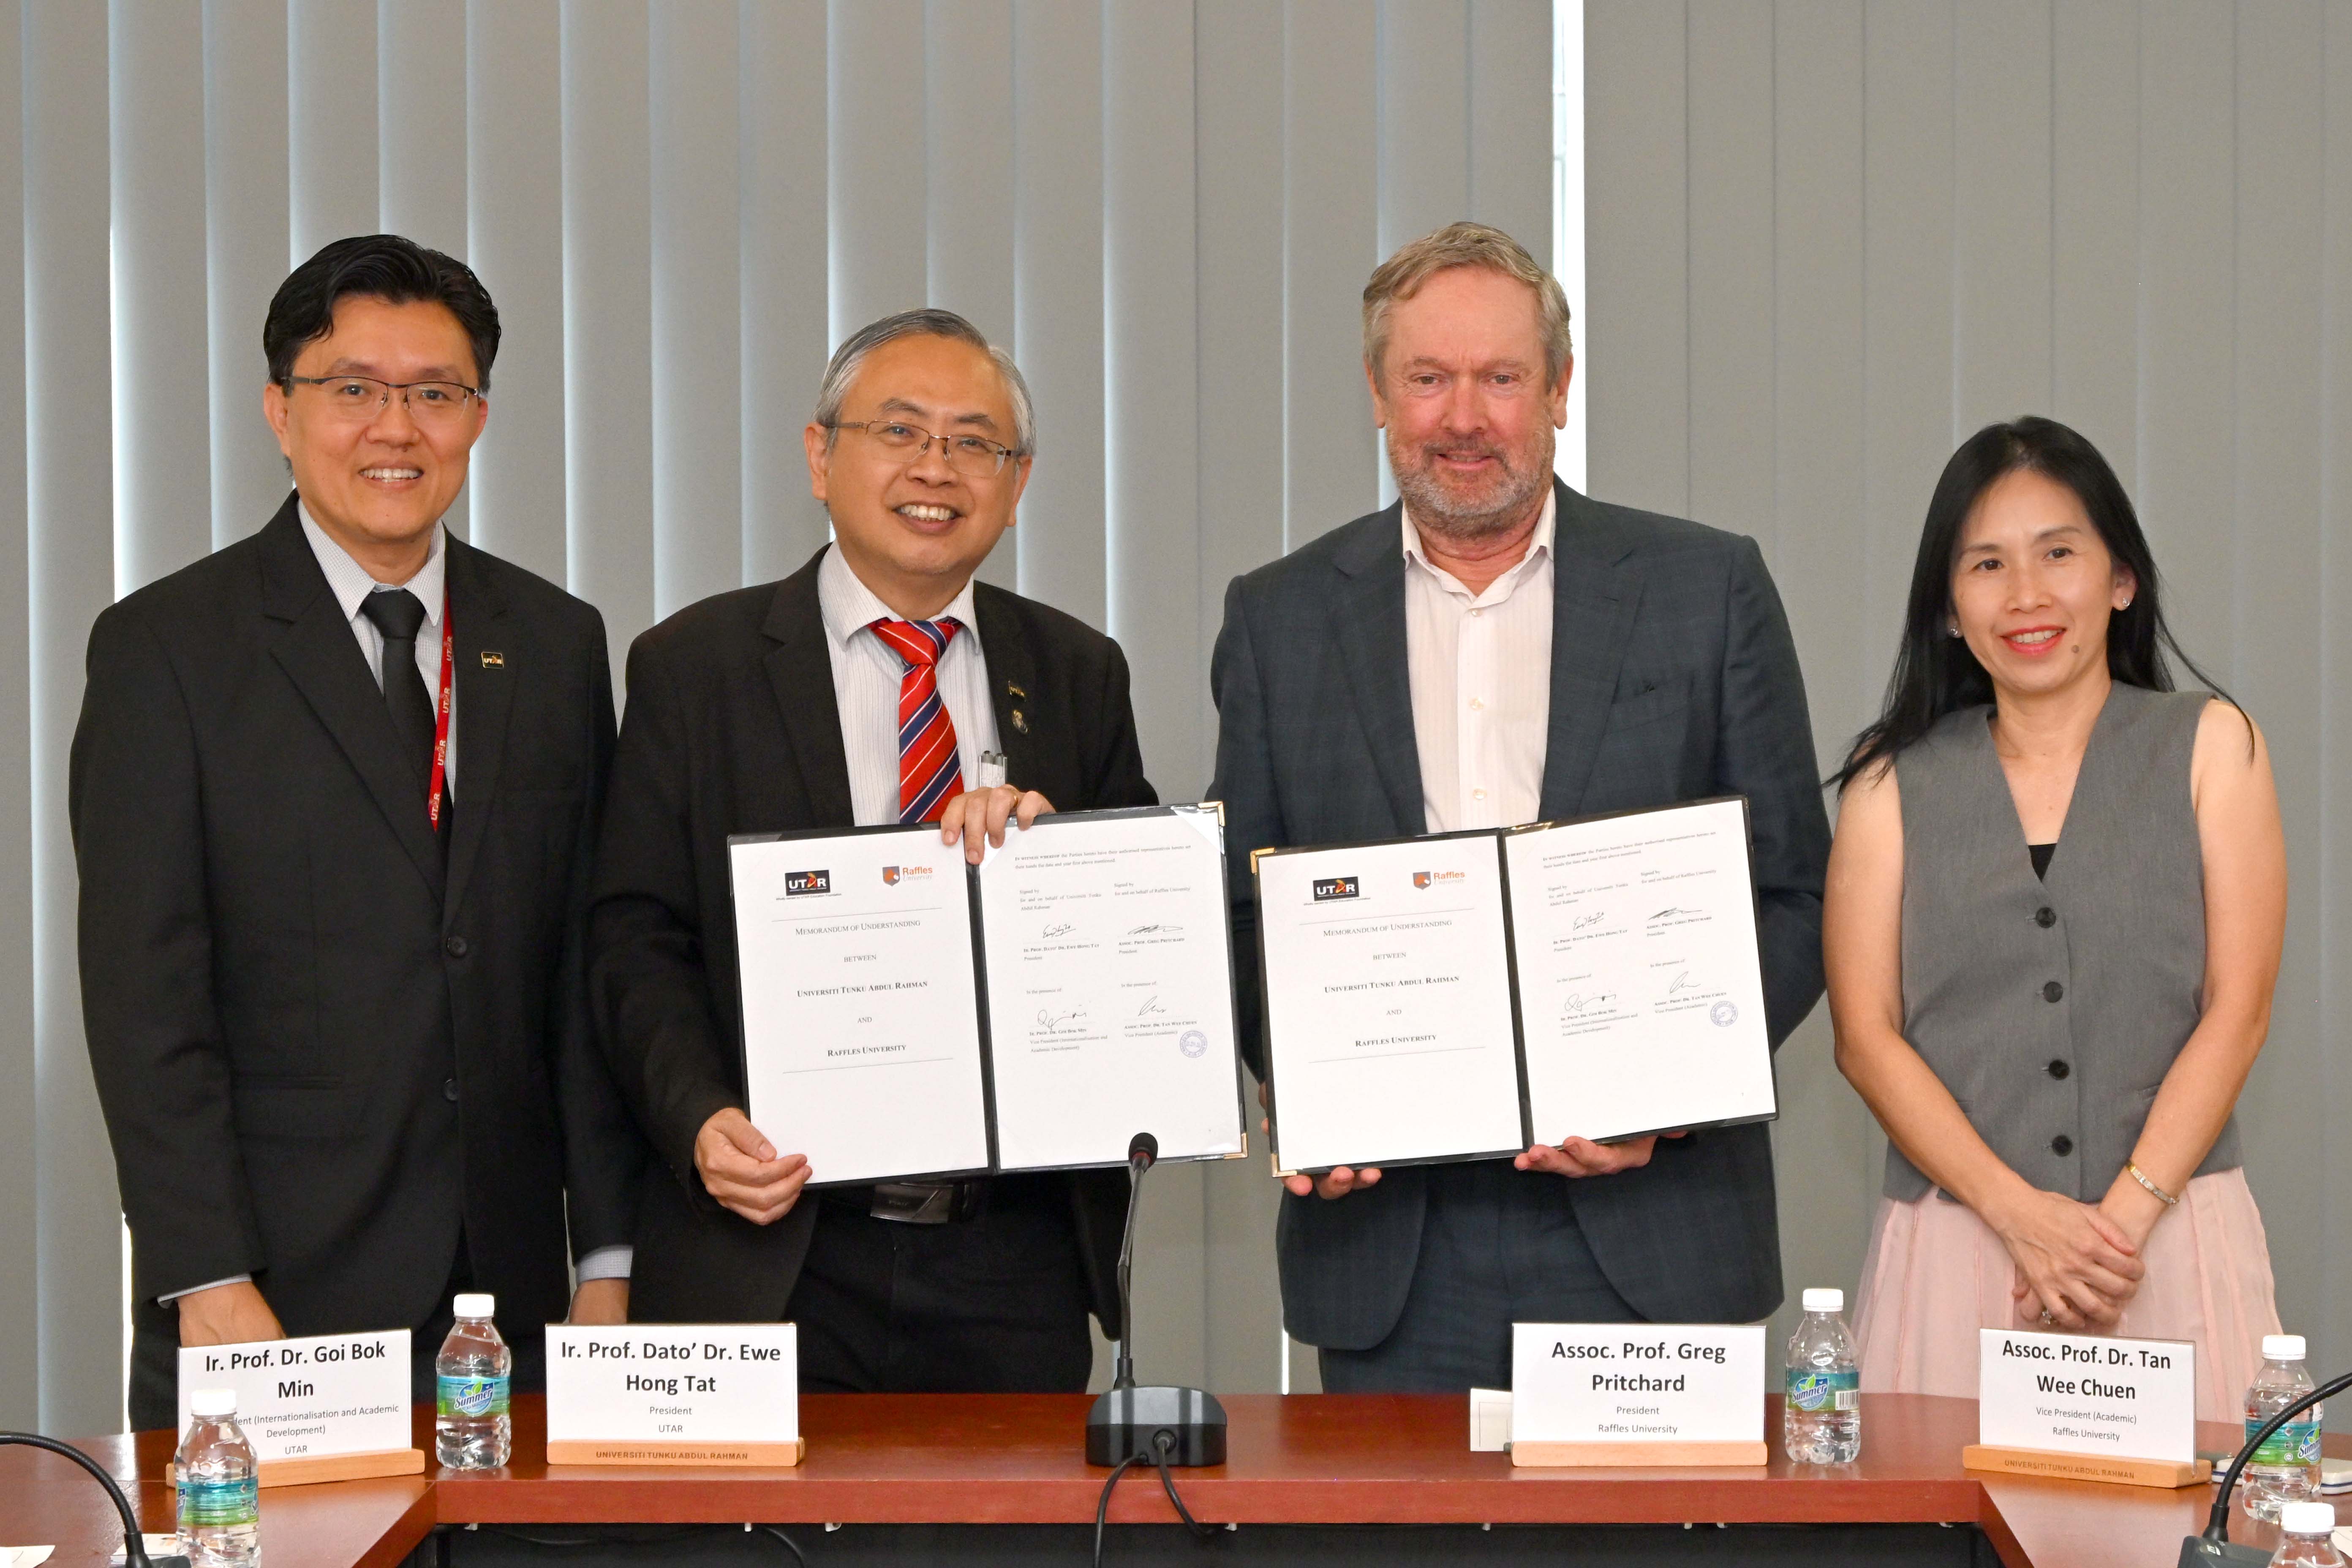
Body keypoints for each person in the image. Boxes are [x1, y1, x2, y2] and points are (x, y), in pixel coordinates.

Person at [1208, 221, 1831, 1392]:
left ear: (1557, 389)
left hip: (1652, 1225)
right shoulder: (1280, 618)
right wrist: (1302, 1076)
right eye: (1428, 379)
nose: (1463, 418)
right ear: (1378, 394)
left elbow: (1794, 892)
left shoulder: (1708, 590)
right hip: (1393, 1244)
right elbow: (1242, 912)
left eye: (1499, 378)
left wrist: (1670, 1101)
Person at [74, 234, 642, 1431]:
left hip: (515, 1306)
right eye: (354, 392)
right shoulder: (166, 650)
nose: (398, 429)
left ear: (478, 416)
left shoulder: (553, 642)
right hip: (275, 1299)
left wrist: (608, 1258)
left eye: (435, 394)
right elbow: (145, 999)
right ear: (281, 411)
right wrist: (208, 1280)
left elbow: (587, 968)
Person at [590, 308, 1156, 1392]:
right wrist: (700, 1117)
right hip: (775, 1248)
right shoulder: (694, 667)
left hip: (1012, 1255)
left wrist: (1058, 878)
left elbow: (1130, 946)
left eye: (974, 442)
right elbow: (632, 937)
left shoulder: (1079, 673)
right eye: (899, 431)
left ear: (1018, 478)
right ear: (820, 455)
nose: (935, 468)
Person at [1826, 416, 2283, 1423]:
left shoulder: (2213, 745)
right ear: (1948, 606)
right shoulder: (1886, 782)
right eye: (1986, 563)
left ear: (2120, 578)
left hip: (2164, 1243)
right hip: (1961, 1245)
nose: (2026, 594)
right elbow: (1864, 1037)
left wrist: (2106, 1237)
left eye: (2059, 553)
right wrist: (2022, 1217)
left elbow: (2238, 1009)